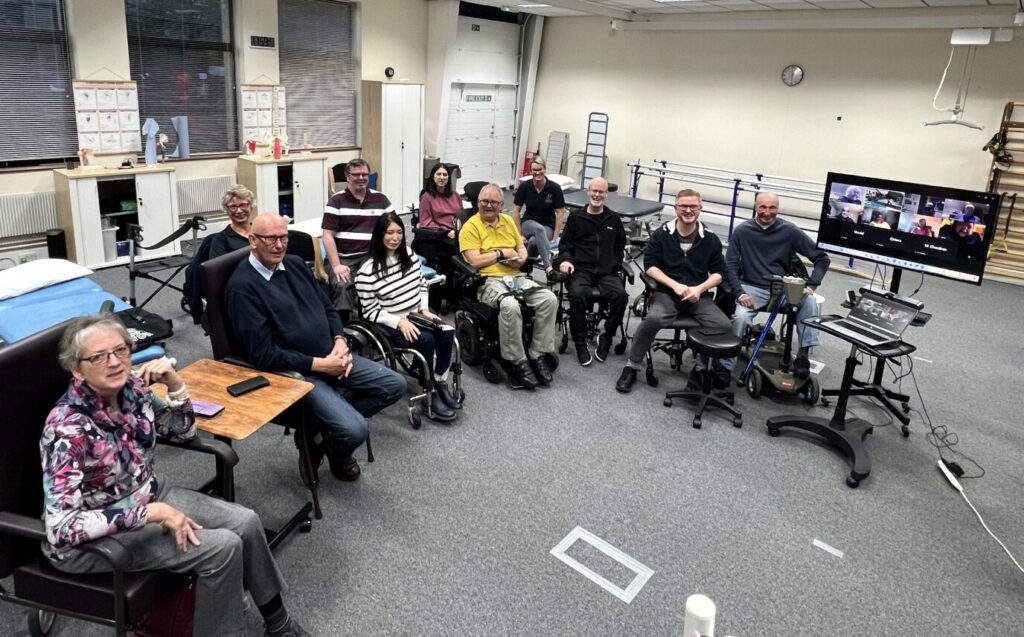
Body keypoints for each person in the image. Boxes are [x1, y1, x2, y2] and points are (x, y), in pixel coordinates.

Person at [41, 315, 308, 637]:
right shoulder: (67, 429)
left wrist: (175, 386)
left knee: (247, 522)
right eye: (99, 356)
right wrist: (149, 513)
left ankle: (279, 626)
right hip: (92, 540)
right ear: (77, 369)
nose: (114, 362)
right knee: (222, 547)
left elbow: (181, 432)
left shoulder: (133, 390)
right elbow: (62, 528)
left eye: (121, 350)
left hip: (148, 494)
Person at [228, 212, 406, 481]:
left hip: (333, 355)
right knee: (355, 430)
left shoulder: (296, 265)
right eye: (271, 239)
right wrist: (321, 365)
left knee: (395, 385)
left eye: (284, 238)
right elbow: (262, 355)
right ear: (252, 240)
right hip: (301, 373)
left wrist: (340, 342)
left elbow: (329, 310)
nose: (279, 245)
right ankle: (336, 444)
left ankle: (319, 435)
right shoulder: (242, 287)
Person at [615, 189, 733, 393]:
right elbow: (650, 266)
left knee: (723, 325)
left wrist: (700, 288)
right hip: (666, 294)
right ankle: (632, 365)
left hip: (698, 296)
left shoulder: (710, 239)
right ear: (676, 208)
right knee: (653, 319)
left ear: (700, 208)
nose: (688, 210)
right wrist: (675, 285)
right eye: (684, 206)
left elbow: (719, 273)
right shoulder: (662, 235)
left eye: (693, 206)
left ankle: (702, 368)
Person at [355, 212, 461, 421]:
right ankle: (428, 390)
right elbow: (370, 311)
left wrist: (424, 309)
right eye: (389, 233)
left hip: (414, 313)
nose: (395, 238)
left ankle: (440, 382)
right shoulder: (367, 272)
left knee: (447, 331)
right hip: (388, 320)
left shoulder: (410, 256)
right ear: (379, 235)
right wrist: (399, 322)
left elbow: (422, 284)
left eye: (399, 232)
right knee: (426, 339)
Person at [459, 183, 559, 390]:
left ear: (501, 204)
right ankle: (516, 361)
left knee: (549, 299)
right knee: (510, 305)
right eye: (484, 201)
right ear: (478, 203)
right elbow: (475, 261)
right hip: (487, 280)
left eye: (493, 202)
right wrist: (500, 253)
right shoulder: (470, 226)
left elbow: (520, 247)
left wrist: (521, 257)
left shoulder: (507, 221)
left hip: (515, 275)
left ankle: (537, 352)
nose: (488, 205)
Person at [723, 191, 830, 379]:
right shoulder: (742, 231)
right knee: (740, 317)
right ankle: (725, 367)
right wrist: (739, 293)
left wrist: (811, 286)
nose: (767, 211)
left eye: (772, 207)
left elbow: (822, 259)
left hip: (783, 289)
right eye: (762, 207)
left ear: (778, 209)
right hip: (751, 288)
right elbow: (730, 266)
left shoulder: (790, 231)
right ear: (756, 207)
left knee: (810, 302)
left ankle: (803, 355)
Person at [554, 177, 627, 366]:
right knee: (577, 294)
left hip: (606, 273)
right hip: (581, 270)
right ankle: (580, 342)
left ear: (606, 194)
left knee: (621, 296)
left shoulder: (614, 219)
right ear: (588, 191)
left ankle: (607, 336)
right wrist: (566, 261)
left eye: (601, 192)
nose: (597, 195)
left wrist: (614, 263)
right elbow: (565, 246)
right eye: (594, 191)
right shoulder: (576, 217)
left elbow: (620, 246)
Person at [322, 158, 394, 313]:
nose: (361, 178)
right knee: (343, 286)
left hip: (372, 256)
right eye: (356, 175)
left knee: (389, 280)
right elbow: (327, 236)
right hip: (344, 258)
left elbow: (394, 229)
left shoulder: (381, 199)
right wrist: (336, 266)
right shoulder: (336, 201)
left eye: (364, 174)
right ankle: (345, 329)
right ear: (348, 176)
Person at [413, 162, 463, 312]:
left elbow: (460, 216)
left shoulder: (455, 196)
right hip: (432, 236)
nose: (442, 177)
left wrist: (458, 229)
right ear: (433, 177)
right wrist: (446, 231)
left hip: (454, 234)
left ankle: (457, 296)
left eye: (445, 175)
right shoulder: (427, 197)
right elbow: (426, 222)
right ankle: (437, 301)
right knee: (451, 255)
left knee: (465, 252)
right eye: (439, 174)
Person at [512, 158, 566, 282]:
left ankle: (526, 267)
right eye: (534, 170)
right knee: (538, 229)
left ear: (544, 170)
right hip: (528, 223)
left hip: (548, 225)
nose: (537, 173)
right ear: (530, 171)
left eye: (540, 169)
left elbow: (560, 213)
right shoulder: (525, 186)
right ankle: (548, 269)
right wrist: (519, 234)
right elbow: (516, 211)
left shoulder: (554, 188)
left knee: (533, 242)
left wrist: (556, 235)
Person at [209, 185, 256, 258]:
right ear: (227, 210)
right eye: (233, 207)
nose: (239, 211)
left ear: (251, 206)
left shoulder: (260, 231)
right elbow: (218, 268)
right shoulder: (221, 240)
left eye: (243, 205)